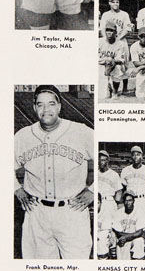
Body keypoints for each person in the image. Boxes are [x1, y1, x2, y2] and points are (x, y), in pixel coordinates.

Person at [14, 85, 93, 259]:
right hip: (37, 213)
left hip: (72, 211)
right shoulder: (23, 136)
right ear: (34, 107)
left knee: (77, 268)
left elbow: (104, 156)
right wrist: (16, 189)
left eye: (51, 104)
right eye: (40, 105)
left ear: (59, 106)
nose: (46, 109)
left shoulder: (81, 131)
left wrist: (94, 191)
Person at [99, 0, 132, 97]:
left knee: (124, 64)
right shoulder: (105, 15)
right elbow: (102, 29)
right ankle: (109, 87)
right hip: (108, 42)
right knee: (107, 63)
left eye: (117, 1)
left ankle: (125, 87)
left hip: (121, 41)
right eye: (113, 2)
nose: (115, 3)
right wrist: (107, 40)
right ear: (109, 3)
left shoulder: (124, 14)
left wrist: (118, 38)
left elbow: (128, 28)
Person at [120, 145, 145, 219]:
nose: (136, 157)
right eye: (134, 155)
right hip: (131, 201)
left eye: (138, 155)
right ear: (131, 157)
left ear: (142, 156)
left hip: (144, 200)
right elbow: (123, 187)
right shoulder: (125, 171)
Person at [111, 190, 145, 260]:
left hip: (134, 238)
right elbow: (118, 232)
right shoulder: (118, 213)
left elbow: (140, 232)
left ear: (134, 201)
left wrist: (126, 237)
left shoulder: (140, 212)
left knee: (139, 241)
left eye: (130, 200)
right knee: (122, 256)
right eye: (126, 200)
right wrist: (125, 238)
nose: (128, 203)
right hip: (122, 238)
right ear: (123, 202)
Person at [98, 21, 129, 99]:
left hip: (114, 64)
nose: (109, 32)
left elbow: (120, 59)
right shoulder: (100, 41)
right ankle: (108, 87)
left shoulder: (120, 44)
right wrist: (106, 61)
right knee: (104, 96)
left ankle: (115, 91)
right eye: (107, 30)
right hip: (101, 64)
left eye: (111, 30)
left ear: (115, 32)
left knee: (118, 69)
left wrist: (110, 62)